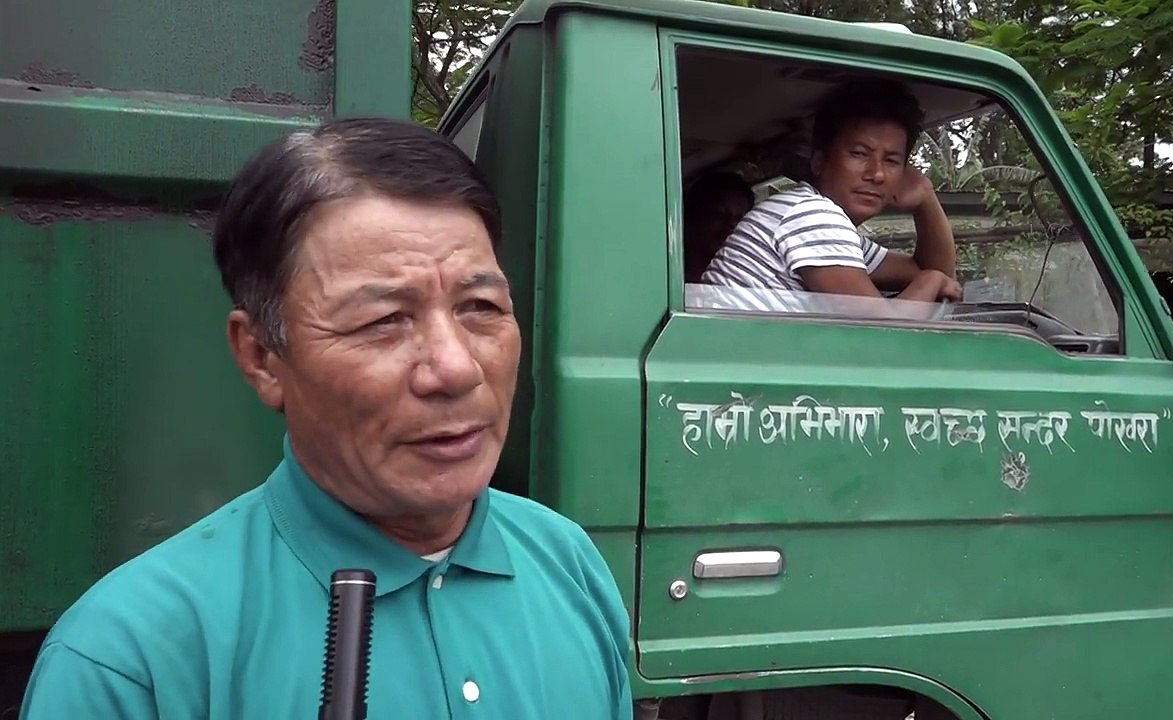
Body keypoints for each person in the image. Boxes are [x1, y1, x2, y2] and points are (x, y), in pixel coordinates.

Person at [19, 118, 634, 719]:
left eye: (481, 306)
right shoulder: (131, 660)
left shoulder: (567, 563)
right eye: (384, 320)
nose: (456, 368)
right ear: (262, 357)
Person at [701, 78, 961, 305]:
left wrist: (926, 199)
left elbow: (935, 272)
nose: (877, 173)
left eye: (891, 160)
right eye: (859, 153)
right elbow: (881, 331)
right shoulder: (812, 215)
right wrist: (929, 282)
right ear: (819, 162)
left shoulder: (824, 224)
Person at [682, 171, 755, 283]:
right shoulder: (665, 280)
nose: (732, 224)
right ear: (693, 216)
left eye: (740, 218)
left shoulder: (746, 282)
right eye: (719, 214)